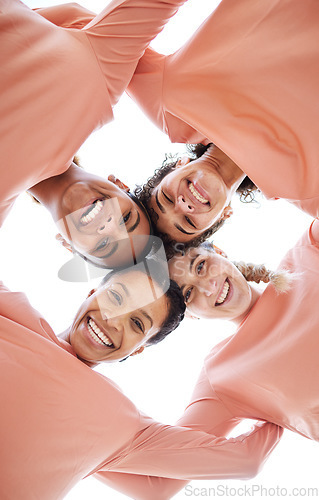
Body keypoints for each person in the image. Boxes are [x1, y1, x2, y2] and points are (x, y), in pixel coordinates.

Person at [36, 0, 319, 253]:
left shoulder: (170, 107)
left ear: (176, 165)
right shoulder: (305, 192)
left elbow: (81, 25)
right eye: (187, 222)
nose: (182, 206)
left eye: (166, 198)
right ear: (224, 216)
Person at [0, 256, 282, 499]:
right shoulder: (13, 313)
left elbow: (245, 459)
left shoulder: (121, 422)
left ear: (137, 351)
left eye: (136, 323)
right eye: (116, 297)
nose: (113, 319)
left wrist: (283, 388)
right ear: (91, 293)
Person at [92, 219, 319, 499]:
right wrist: (81, 444)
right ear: (191, 316)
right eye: (189, 294)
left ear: (219, 252)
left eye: (200, 266)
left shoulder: (308, 251)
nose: (210, 288)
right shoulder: (222, 377)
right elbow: (155, 485)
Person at [0, 0, 190, 267]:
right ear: (121, 186)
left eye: (104, 246)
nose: (108, 226)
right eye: (126, 219)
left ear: (68, 246)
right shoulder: (102, 82)